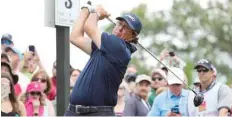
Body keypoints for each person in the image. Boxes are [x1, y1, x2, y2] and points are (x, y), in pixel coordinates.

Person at [64, 3, 142, 116]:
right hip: (73, 112)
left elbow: (89, 27)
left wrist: (97, 12)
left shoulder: (119, 47)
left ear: (133, 36)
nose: (119, 29)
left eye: (125, 28)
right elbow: (75, 37)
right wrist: (85, 10)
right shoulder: (105, 46)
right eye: (119, 24)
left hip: (97, 113)